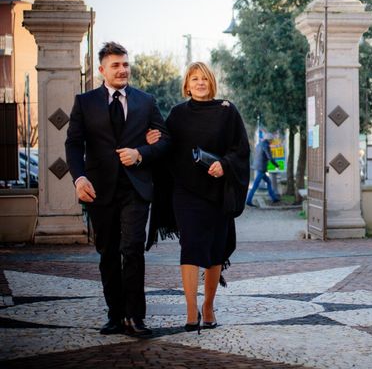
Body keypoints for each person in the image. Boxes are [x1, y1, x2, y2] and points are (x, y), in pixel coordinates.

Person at [65, 42, 169, 337]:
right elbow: (73, 144)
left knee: (132, 248)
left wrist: (141, 153)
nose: (123, 70)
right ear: (102, 70)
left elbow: (165, 140)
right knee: (107, 251)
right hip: (99, 189)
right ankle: (115, 315)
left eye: (125, 64)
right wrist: (79, 178)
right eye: (116, 65)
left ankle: (135, 317)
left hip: (135, 188)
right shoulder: (84, 103)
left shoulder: (146, 101)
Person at [147, 61, 249, 332]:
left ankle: (208, 306)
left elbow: (240, 149)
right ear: (187, 85)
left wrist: (225, 165)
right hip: (186, 192)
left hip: (218, 191)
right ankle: (191, 310)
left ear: (211, 81)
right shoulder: (178, 114)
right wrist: (153, 140)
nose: (200, 83)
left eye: (204, 78)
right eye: (194, 79)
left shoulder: (227, 111)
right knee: (190, 247)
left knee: (215, 251)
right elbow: (167, 147)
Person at [245, 135, 281, 207]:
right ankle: (248, 200)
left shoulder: (259, 144)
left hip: (258, 166)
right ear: (269, 140)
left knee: (268, 182)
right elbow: (269, 157)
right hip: (261, 168)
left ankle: (274, 198)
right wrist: (277, 165)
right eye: (271, 141)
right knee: (255, 185)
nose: (272, 142)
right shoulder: (266, 145)